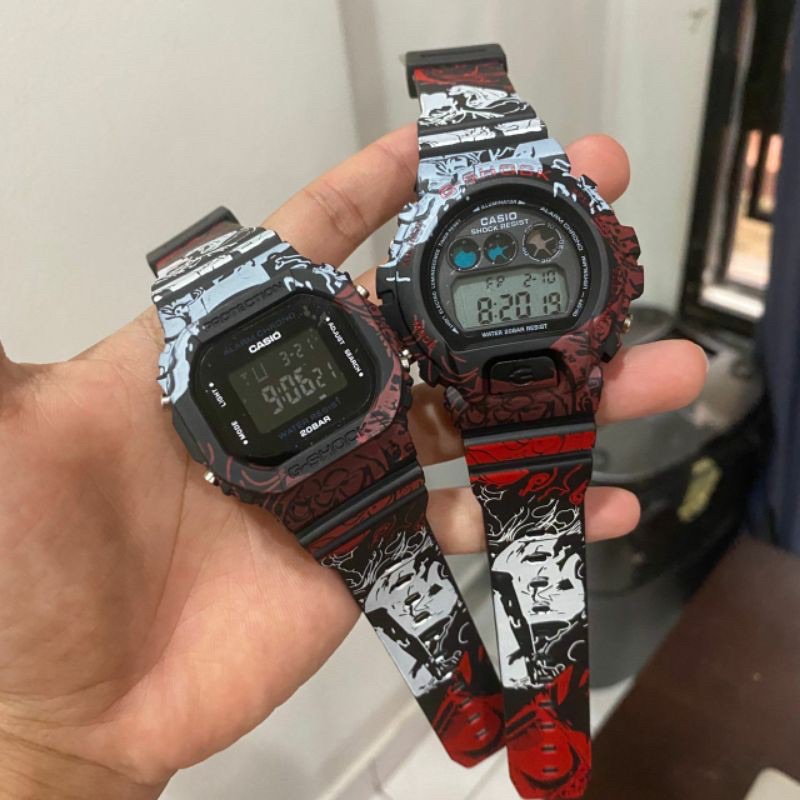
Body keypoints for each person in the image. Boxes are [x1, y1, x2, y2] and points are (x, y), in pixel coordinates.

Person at [0, 125, 707, 799]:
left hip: (373, 461)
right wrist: (52, 753)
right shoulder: (224, 374)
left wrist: (53, 755)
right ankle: (478, 719)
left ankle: (488, 722)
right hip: (327, 490)